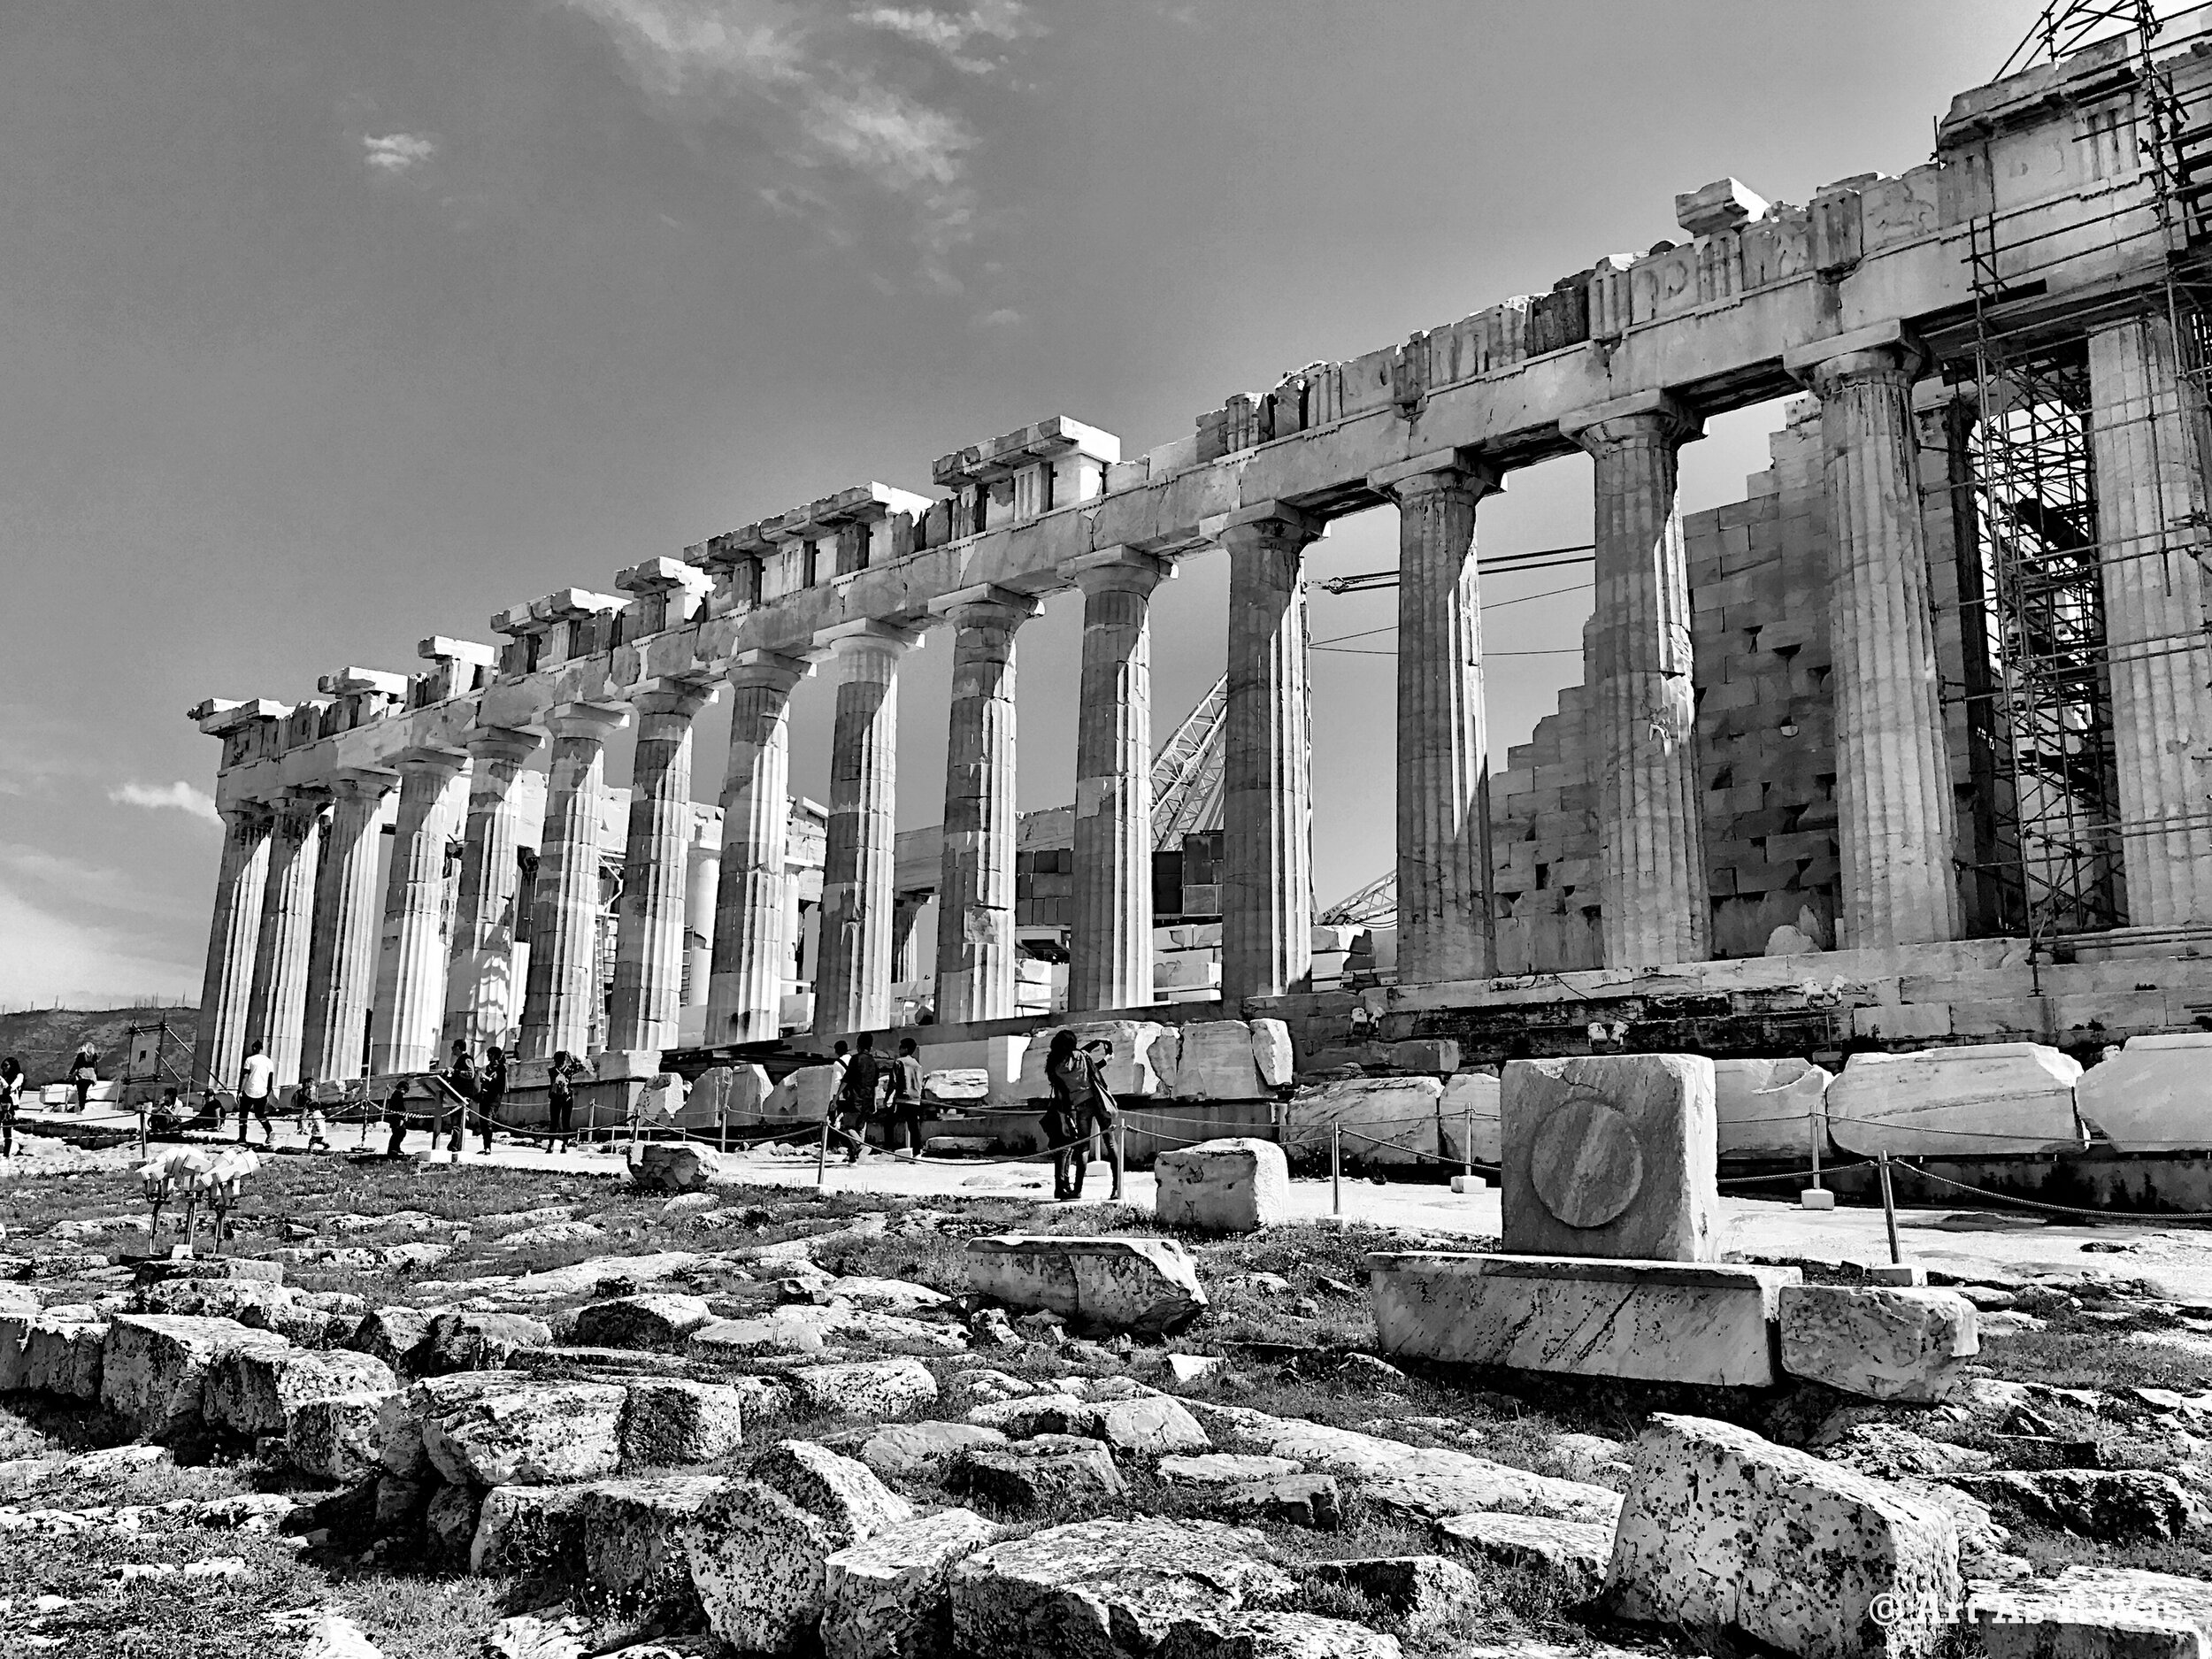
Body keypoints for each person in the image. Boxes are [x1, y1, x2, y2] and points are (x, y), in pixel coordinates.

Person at [1057, 1036, 1125, 1202]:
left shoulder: (1059, 1067)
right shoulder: (1082, 1057)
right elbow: (1094, 1071)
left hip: (1080, 1105)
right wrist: (1107, 1058)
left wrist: (1095, 1043)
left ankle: (1078, 1190)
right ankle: (1116, 1188)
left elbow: (1081, 1053)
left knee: (1083, 1147)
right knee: (1110, 1143)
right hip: (1098, 1101)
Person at [1042, 1029, 1081, 1201]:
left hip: (1063, 1110)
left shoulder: (1055, 1062)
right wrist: (1065, 1119)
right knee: (1064, 1150)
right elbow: (1060, 1095)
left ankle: (1064, 1185)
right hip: (1062, 1111)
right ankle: (1061, 1186)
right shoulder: (1061, 1067)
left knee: (1067, 1150)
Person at [833, 1033, 883, 1164]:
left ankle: (861, 1147)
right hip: (868, 1099)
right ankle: (854, 1159)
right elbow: (875, 1084)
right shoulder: (874, 1062)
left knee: (848, 1127)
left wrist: (836, 1097)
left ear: (857, 1046)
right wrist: (875, 1102)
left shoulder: (855, 1059)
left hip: (855, 1098)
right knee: (860, 1128)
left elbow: (846, 1080)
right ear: (871, 1047)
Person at [887, 1037, 926, 1160]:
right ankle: (917, 1153)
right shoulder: (917, 1064)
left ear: (905, 1048)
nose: (899, 1049)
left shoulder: (899, 1062)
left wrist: (887, 1097)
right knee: (914, 1127)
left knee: (889, 1123)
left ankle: (888, 1150)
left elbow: (893, 1082)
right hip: (915, 1099)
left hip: (902, 1098)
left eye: (901, 1047)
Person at [237, 1041, 276, 1144]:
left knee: (243, 1115)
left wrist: (240, 1091)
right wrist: (268, 1093)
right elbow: (270, 1079)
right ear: (262, 1049)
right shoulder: (269, 1062)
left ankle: (242, 1139)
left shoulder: (250, 1059)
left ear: (254, 1048)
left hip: (249, 1090)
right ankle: (270, 1131)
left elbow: (245, 1075)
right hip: (262, 1091)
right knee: (260, 1114)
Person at [445, 1040, 479, 1154]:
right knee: (455, 1121)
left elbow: (470, 1074)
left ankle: (455, 1145)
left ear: (459, 1048)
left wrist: (455, 1071)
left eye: (453, 1047)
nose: (452, 1050)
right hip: (456, 1095)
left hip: (462, 1096)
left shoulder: (466, 1059)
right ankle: (454, 1144)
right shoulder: (461, 1059)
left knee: (457, 1122)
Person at [547, 1050, 583, 1152]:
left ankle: (562, 1144)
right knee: (556, 1122)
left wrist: (569, 1057)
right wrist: (570, 1057)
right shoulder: (562, 1071)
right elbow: (576, 1066)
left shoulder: (553, 1070)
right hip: (558, 1097)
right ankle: (553, 1144)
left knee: (564, 1122)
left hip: (564, 1098)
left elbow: (576, 1066)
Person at [477, 1046, 508, 1155]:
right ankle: (486, 1145)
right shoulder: (488, 1067)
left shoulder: (501, 1068)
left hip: (494, 1099)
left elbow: (500, 1085)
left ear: (494, 1055)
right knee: (483, 1122)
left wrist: (487, 1078)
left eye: (489, 1054)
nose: (487, 1056)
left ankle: (488, 1148)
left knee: (488, 1121)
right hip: (484, 1097)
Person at [294, 1073, 330, 1151]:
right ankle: (325, 1145)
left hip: (318, 1131)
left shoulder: (315, 1114)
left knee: (312, 1141)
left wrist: (311, 1123)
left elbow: (315, 1120)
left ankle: (310, 1150)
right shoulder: (319, 1113)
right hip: (321, 1131)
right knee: (317, 1140)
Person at [67, 1042, 98, 1113]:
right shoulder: (94, 1055)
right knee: (84, 1092)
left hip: (82, 1075)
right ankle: (82, 1108)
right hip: (91, 1076)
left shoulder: (81, 1055)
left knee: (81, 1093)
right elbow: (95, 1066)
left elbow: (76, 1065)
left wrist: (71, 1073)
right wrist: (96, 1076)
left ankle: (81, 1108)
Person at [0, 1056, 21, 1157]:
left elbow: (11, 1087)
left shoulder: (19, 1075)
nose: (4, 1068)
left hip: (11, 1105)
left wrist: (5, 1086)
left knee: (7, 1130)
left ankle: (6, 1154)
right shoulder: (4, 1077)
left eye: (6, 1065)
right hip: (1, 1103)